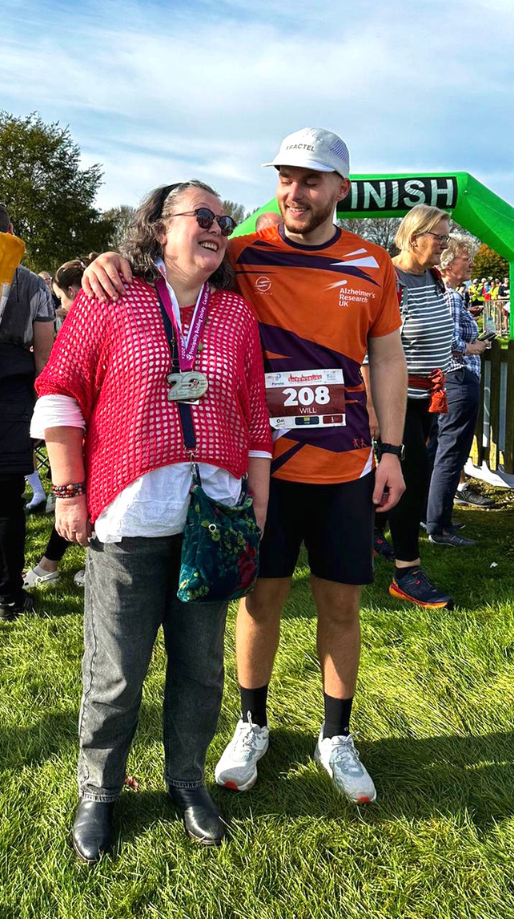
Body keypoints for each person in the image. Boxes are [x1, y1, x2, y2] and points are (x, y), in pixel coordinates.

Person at [81, 127, 407, 806]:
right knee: (260, 601)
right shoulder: (240, 252)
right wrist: (104, 260)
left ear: (341, 188)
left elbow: (389, 360)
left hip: (344, 467)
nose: (295, 191)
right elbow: (164, 257)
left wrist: (393, 452)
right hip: (260, 473)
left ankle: (335, 736)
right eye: (286, 177)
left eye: (311, 179)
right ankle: (252, 723)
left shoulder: (372, 264)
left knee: (341, 605)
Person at [32, 180, 272, 862]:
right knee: (115, 673)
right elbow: (60, 392)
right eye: (201, 215)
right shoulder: (111, 298)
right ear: (157, 227)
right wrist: (69, 489)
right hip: (128, 517)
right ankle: (99, 791)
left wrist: (257, 503)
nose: (216, 227)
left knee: (200, 669)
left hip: (214, 520)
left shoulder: (234, 314)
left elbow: (255, 413)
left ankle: (186, 780)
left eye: (222, 219)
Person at [0, 202, 54, 620]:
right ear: (10, 231)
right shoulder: (31, 284)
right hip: (9, 397)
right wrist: (43, 410)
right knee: (7, 503)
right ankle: (8, 598)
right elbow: (44, 356)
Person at [385, 205, 456, 609]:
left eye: (447, 237)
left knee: (409, 476)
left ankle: (373, 535)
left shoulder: (431, 277)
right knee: (410, 480)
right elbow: (370, 343)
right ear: (415, 238)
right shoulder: (388, 277)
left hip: (427, 397)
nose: (445, 245)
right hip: (397, 399)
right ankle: (406, 572)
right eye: (440, 237)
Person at [25, 257, 97, 589]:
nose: (61, 306)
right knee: (78, 494)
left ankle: (51, 565)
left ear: (72, 289)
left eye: (62, 298)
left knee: (77, 493)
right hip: (85, 421)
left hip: (84, 423)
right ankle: (54, 564)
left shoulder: (82, 320)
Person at [426, 236, 490, 544]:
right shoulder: (449, 295)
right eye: (467, 259)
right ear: (449, 263)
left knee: (442, 450)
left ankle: (434, 517)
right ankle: (439, 526)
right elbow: (448, 342)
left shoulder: (443, 293)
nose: (473, 264)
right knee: (451, 454)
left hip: (450, 380)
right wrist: (474, 346)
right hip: (459, 379)